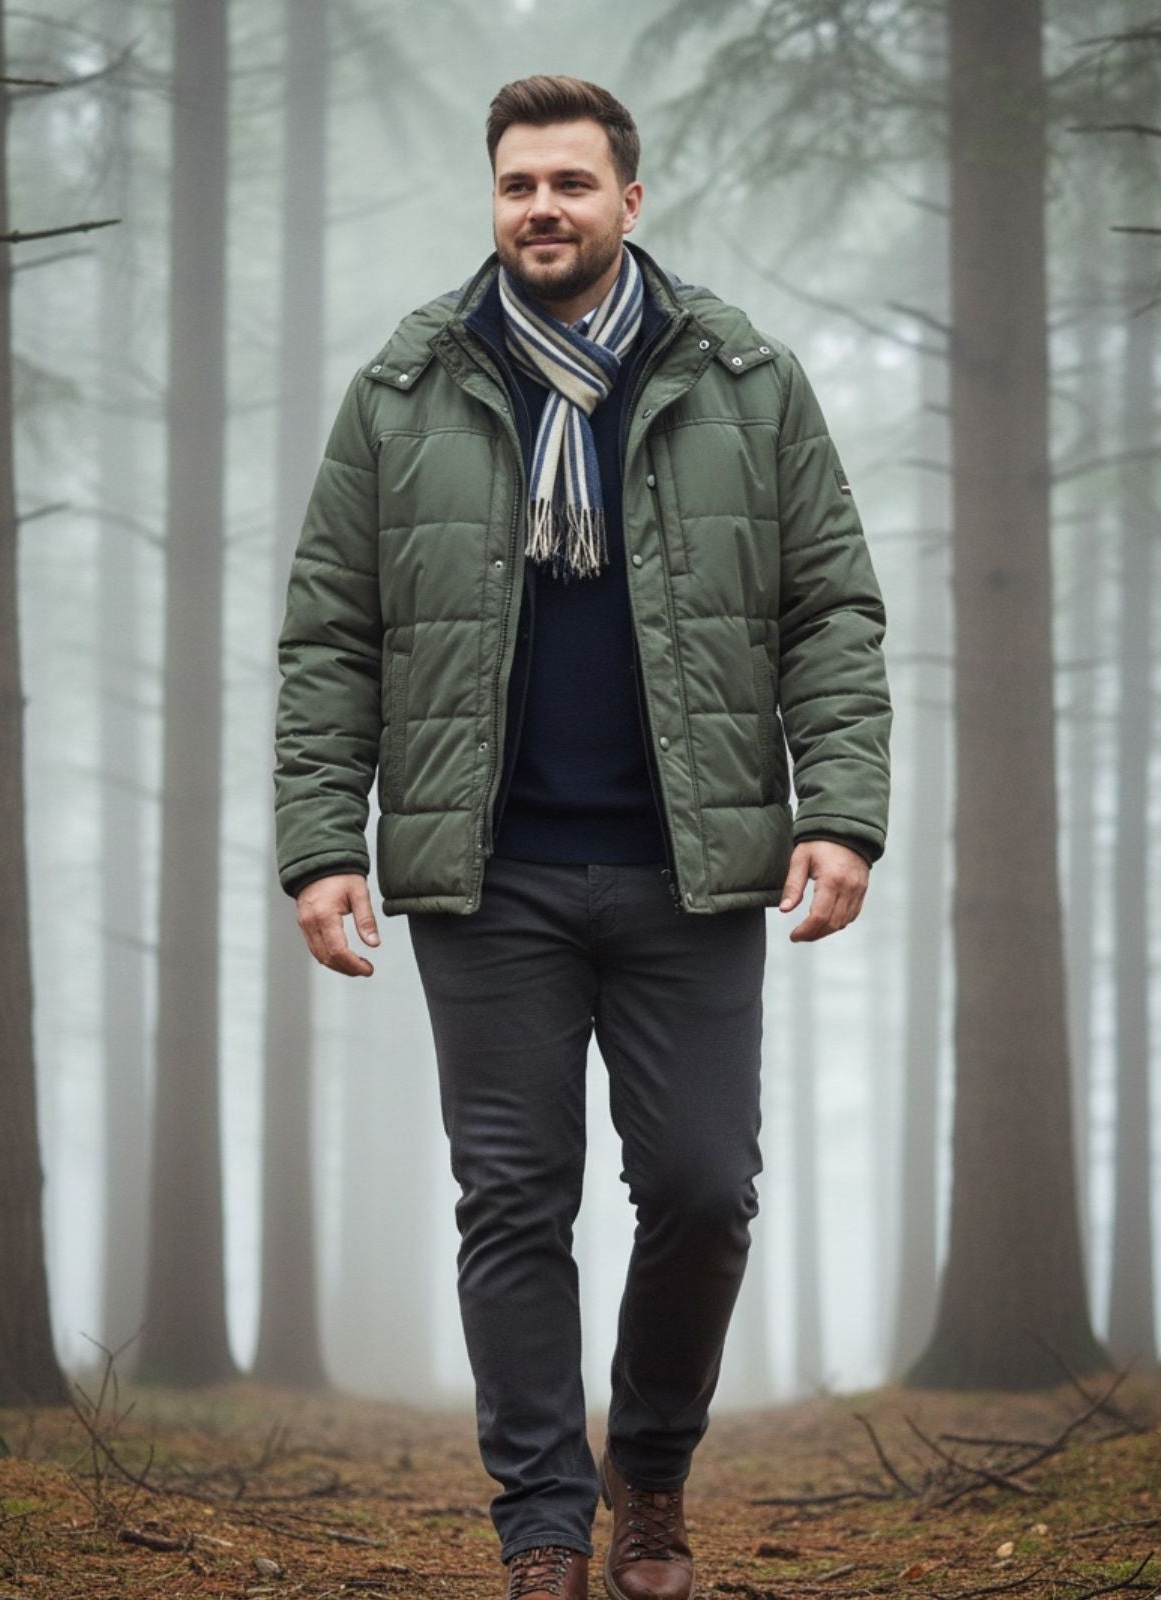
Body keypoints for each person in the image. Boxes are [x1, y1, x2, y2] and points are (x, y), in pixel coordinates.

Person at [273, 73, 892, 1600]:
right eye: (514, 186)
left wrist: (844, 815)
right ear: (493, 204)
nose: (539, 207)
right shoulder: (408, 389)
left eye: (568, 182)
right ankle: (546, 1526)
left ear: (631, 199)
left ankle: (653, 1477)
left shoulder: (746, 379)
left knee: (699, 1188)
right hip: (484, 877)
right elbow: (331, 636)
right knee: (513, 1198)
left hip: (696, 865)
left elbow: (830, 609)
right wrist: (320, 843)